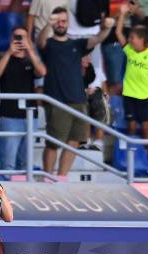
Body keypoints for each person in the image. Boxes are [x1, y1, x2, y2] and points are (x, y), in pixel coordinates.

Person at [38, 7, 114, 177]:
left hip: (79, 101)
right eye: (57, 21)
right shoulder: (48, 44)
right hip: (57, 101)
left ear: (68, 23)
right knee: (53, 143)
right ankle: (47, 178)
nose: (60, 24)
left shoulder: (77, 44)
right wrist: (47, 25)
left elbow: (96, 39)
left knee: (74, 142)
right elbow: (40, 41)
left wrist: (108, 28)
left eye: (64, 21)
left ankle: (61, 178)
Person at [0, 26, 46, 179]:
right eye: (17, 36)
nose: (20, 40)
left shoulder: (31, 59)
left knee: (26, 162)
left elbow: (42, 72)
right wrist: (9, 52)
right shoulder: (1, 58)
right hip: (9, 116)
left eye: (24, 37)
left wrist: (31, 51)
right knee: (8, 163)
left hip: (30, 116)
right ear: (11, 39)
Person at [116, 2, 148, 140]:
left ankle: (146, 150)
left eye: (132, 38)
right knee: (131, 126)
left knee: (145, 126)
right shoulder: (129, 50)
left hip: (145, 96)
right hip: (129, 94)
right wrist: (122, 14)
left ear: (142, 39)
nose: (129, 40)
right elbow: (118, 32)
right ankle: (131, 152)